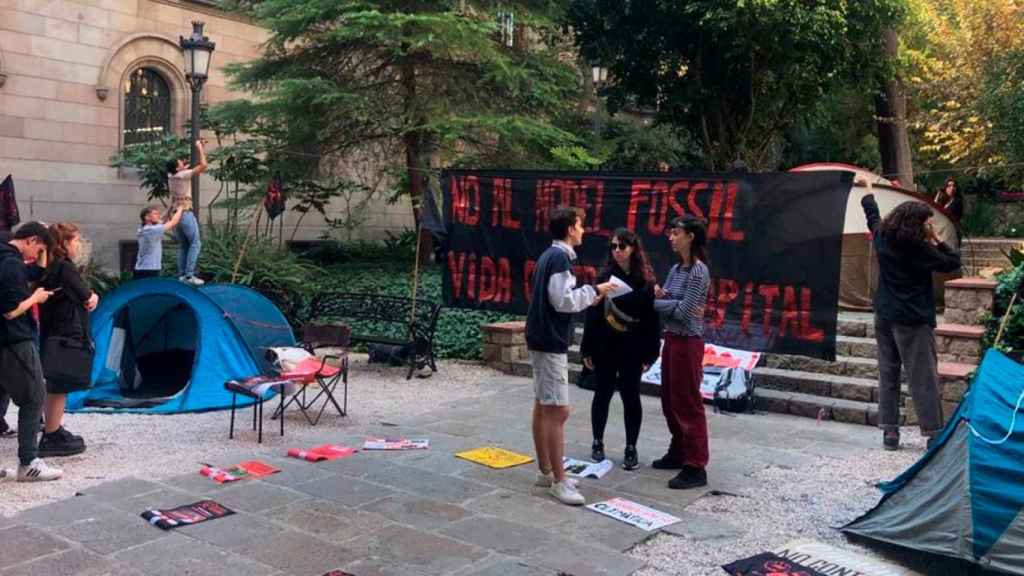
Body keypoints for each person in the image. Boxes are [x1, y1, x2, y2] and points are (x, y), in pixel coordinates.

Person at [526, 206, 614, 506]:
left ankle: (546, 472)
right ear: (569, 229)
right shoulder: (560, 257)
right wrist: (595, 291)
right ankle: (559, 481)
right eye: (580, 225)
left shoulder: (549, 256)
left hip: (541, 337)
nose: (583, 230)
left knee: (544, 405)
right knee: (558, 410)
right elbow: (562, 301)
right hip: (549, 340)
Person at [863, 194, 961, 450]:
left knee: (888, 373)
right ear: (918, 224)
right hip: (913, 320)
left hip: (884, 316)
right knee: (922, 378)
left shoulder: (883, 238)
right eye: (927, 222)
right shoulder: (921, 249)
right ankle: (932, 433)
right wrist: (937, 240)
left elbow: (872, 218)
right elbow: (953, 262)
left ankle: (890, 433)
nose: (930, 226)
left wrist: (869, 196)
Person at [581, 228, 661, 471]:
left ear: (633, 249)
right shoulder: (605, 275)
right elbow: (593, 313)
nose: (617, 251)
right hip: (606, 343)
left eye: (622, 247)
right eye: (613, 247)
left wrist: (651, 352)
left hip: (633, 345)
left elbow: (652, 320)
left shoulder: (646, 281)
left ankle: (631, 447)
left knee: (631, 396)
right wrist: (587, 349)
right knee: (602, 393)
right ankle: (597, 442)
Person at [0, 222, 62, 481]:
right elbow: (10, 310)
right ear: (31, 239)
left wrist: (46, 241)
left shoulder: (5, 257)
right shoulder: (11, 265)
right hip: (13, 340)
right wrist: (35, 298)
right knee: (34, 397)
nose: (36, 257)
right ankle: (28, 464)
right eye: (38, 249)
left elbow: (38, 271)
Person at [653, 215, 711, 490]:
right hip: (672, 339)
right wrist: (665, 301)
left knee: (688, 401)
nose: (671, 237)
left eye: (676, 232)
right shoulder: (676, 269)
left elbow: (686, 312)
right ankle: (679, 450)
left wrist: (661, 304)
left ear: (691, 237)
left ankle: (696, 464)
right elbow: (669, 303)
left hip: (689, 342)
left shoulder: (699, 272)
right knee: (669, 398)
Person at [37, 222, 99, 457]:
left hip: (52, 331)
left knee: (54, 383)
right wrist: (94, 296)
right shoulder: (65, 268)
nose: (78, 244)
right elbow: (86, 297)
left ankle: (52, 428)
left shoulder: (48, 267)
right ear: (63, 243)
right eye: (74, 240)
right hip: (66, 332)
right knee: (60, 384)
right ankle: (52, 434)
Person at [165, 140, 208, 285]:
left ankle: (182, 275)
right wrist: (199, 148)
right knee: (195, 243)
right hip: (185, 213)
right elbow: (203, 166)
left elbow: (187, 167)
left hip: (175, 214)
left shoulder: (171, 176)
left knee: (183, 245)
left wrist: (201, 148)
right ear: (178, 168)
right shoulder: (182, 175)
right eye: (180, 163)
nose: (183, 163)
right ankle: (190, 275)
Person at [135, 205, 184, 280]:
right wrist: (181, 208)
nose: (158, 216)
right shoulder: (152, 230)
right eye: (155, 214)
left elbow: (161, 220)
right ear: (147, 217)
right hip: (149, 269)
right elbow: (173, 222)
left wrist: (170, 208)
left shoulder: (144, 228)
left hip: (143, 268)